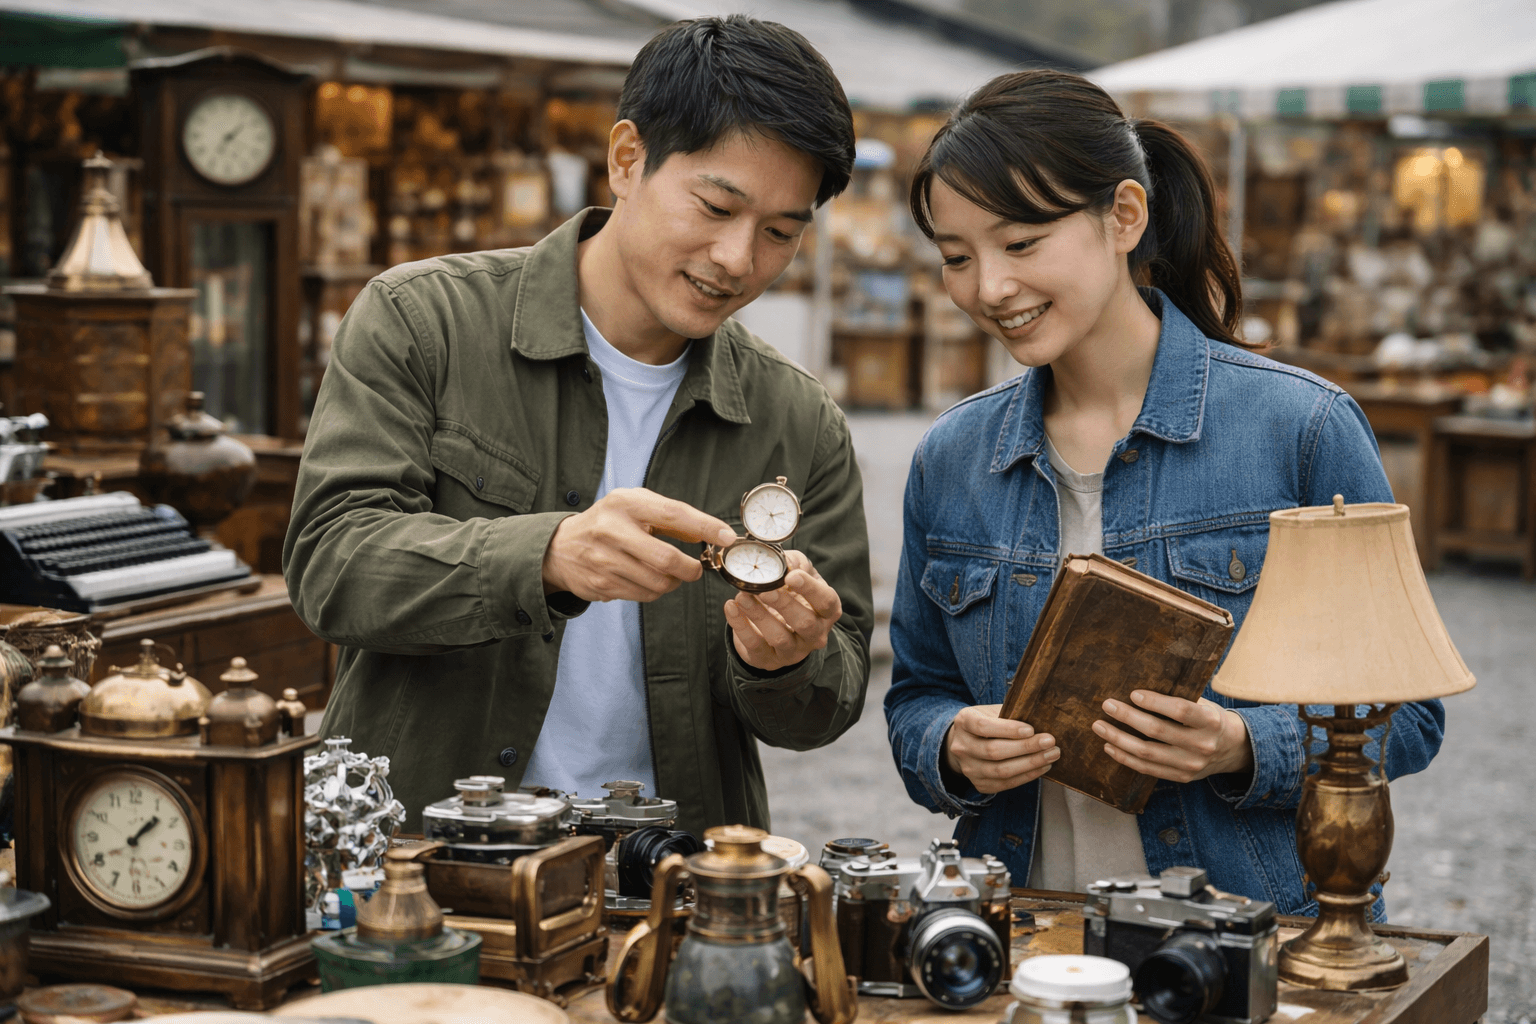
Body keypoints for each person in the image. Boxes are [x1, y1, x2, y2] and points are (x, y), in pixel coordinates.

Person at [284, 16, 872, 836]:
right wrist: (548, 556)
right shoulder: (423, 321)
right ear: (627, 159)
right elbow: (330, 565)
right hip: (425, 868)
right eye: (715, 206)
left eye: (780, 233)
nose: (739, 259)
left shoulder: (797, 419)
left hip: (673, 888)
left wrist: (781, 658)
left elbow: (829, 704)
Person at [883, 70, 1443, 916]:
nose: (987, 288)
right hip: (1029, 937)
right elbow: (917, 696)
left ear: (1124, 217)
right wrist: (951, 744)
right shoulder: (951, 457)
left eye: (1021, 244)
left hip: (1255, 937)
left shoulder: (1301, 428)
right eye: (957, 258)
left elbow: (1412, 709)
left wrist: (1241, 745)